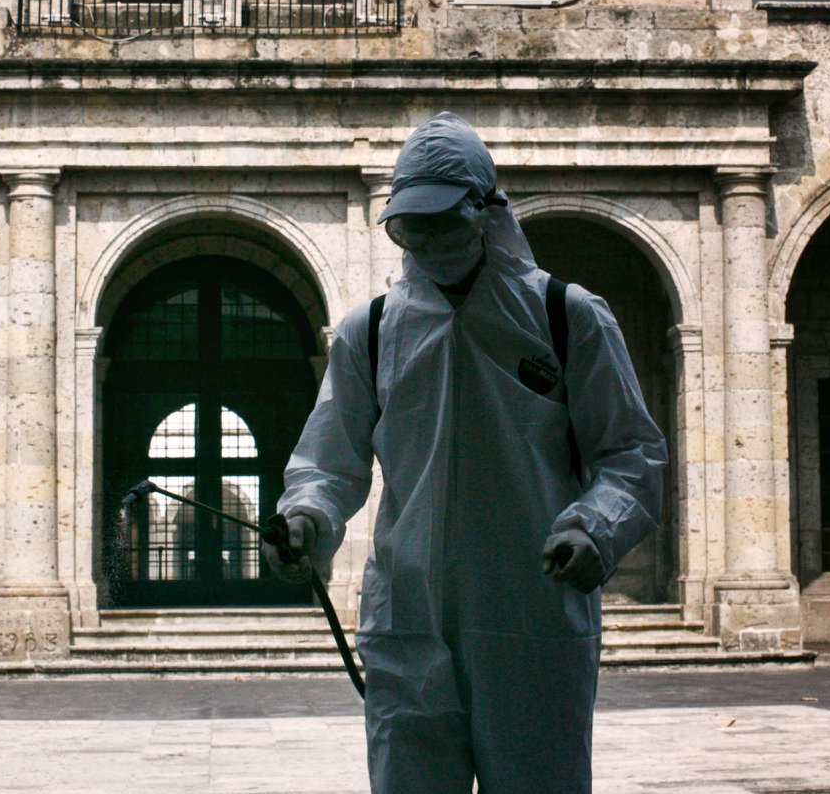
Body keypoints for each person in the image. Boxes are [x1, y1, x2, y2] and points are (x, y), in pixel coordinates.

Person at [265, 112, 668, 794]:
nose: (425, 240)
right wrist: (304, 516)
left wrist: (592, 526)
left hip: (533, 616)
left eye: (441, 221)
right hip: (407, 623)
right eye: (409, 225)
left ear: (485, 211)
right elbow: (328, 463)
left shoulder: (567, 317)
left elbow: (630, 454)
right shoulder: (370, 332)